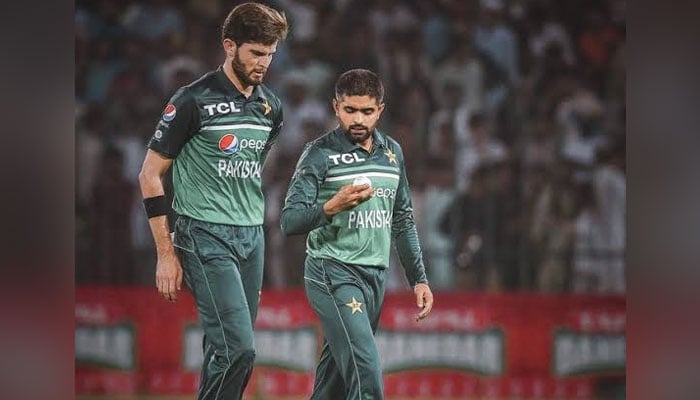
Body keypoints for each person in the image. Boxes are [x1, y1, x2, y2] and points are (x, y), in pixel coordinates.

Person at [137, 3, 288, 399]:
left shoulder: (271, 107)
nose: (264, 63)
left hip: (251, 238)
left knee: (225, 351)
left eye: (270, 54)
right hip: (203, 235)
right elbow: (150, 175)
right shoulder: (192, 100)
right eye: (256, 52)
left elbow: (249, 167)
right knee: (239, 348)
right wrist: (166, 253)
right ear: (229, 46)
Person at [280, 69, 434, 399]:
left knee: (333, 381)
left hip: (374, 276)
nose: (358, 119)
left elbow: (403, 219)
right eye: (350, 110)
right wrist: (331, 207)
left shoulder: (392, 153)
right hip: (332, 270)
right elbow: (290, 220)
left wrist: (418, 278)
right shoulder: (319, 153)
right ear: (336, 107)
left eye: (366, 111)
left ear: (380, 109)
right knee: (366, 373)